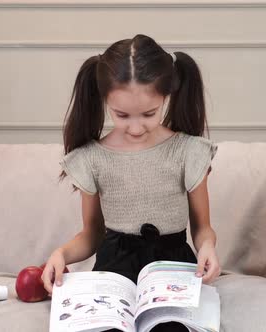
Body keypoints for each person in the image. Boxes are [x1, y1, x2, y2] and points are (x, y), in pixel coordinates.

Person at [41, 34, 220, 304]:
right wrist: (61, 254)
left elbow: (203, 227)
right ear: (105, 101)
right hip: (114, 273)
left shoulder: (188, 151)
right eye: (122, 115)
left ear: (166, 97)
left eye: (149, 114)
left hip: (171, 272)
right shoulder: (92, 158)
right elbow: (92, 234)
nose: (136, 129)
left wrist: (207, 247)